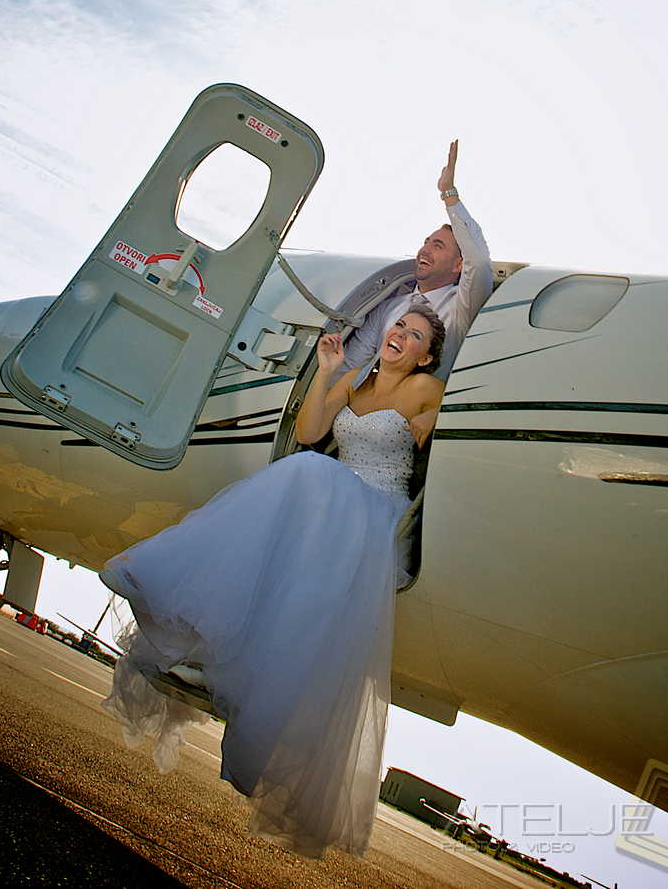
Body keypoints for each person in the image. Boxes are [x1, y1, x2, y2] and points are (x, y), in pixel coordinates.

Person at [99, 306, 446, 860]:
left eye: (414, 335)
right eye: (398, 327)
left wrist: (434, 420)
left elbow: (455, 423)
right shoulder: (357, 381)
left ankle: (217, 656)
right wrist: (327, 373)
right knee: (297, 487)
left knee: (307, 474)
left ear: (426, 357)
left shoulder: (427, 387)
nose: (400, 336)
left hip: (379, 511)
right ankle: (205, 646)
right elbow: (309, 433)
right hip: (339, 499)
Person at [340, 142, 492, 446]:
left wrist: (448, 194)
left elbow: (479, 262)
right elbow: (353, 363)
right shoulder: (389, 307)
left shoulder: (462, 309)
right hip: (363, 423)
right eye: (426, 242)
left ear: (458, 265)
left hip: (420, 433)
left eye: (438, 246)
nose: (425, 249)